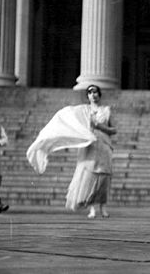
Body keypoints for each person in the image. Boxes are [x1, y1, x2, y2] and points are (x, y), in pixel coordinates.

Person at [27, 85, 117, 218]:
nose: (93, 95)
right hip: (89, 145)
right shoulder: (83, 111)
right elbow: (69, 120)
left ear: (100, 94)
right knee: (89, 176)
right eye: (90, 92)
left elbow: (114, 130)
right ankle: (92, 208)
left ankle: (103, 207)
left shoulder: (106, 110)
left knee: (104, 176)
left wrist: (99, 126)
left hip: (104, 145)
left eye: (96, 92)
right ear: (87, 96)